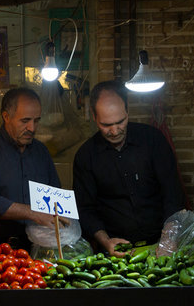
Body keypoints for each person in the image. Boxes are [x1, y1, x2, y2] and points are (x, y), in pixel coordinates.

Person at [72, 80, 185, 256]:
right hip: (115, 250)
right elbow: (85, 210)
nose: (115, 131)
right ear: (94, 117)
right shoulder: (86, 156)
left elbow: (173, 193)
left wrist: (169, 239)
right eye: (106, 125)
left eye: (120, 122)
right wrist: (105, 241)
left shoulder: (153, 140)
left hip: (160, 244)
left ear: (127, 111)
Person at [0, 87, 67, 250]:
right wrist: (33, 213)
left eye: (36, 120)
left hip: (31, 245)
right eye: (25, 121)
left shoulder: (41, 151)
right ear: (6, 117)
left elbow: (54, 194)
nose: (32, 128)